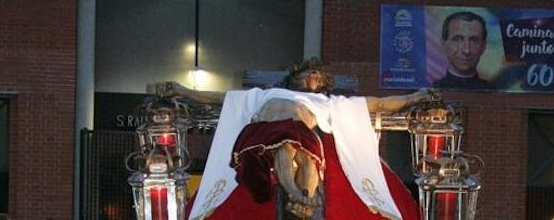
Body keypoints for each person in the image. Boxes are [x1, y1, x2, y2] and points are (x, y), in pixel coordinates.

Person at [151, 58, 435, 220]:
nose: (314, 76)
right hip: (264, 135)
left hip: (303, 135)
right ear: (295, 76)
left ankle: (304, 200)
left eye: (318, 76)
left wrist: (415, 96)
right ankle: (297, 195)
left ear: (322, 85)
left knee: (308, 157)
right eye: (309, 72)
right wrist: (182, 89)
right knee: (286, 146)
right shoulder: (264, 95)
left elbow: (380, 104)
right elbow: (216, 98)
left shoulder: (329, 103)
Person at [432, 11, 491, 89]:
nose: (466, 50)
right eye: (457, 39)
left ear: (483, 46)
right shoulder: (431, 90)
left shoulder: (494, 91)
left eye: (474, 40)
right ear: (444, 44)